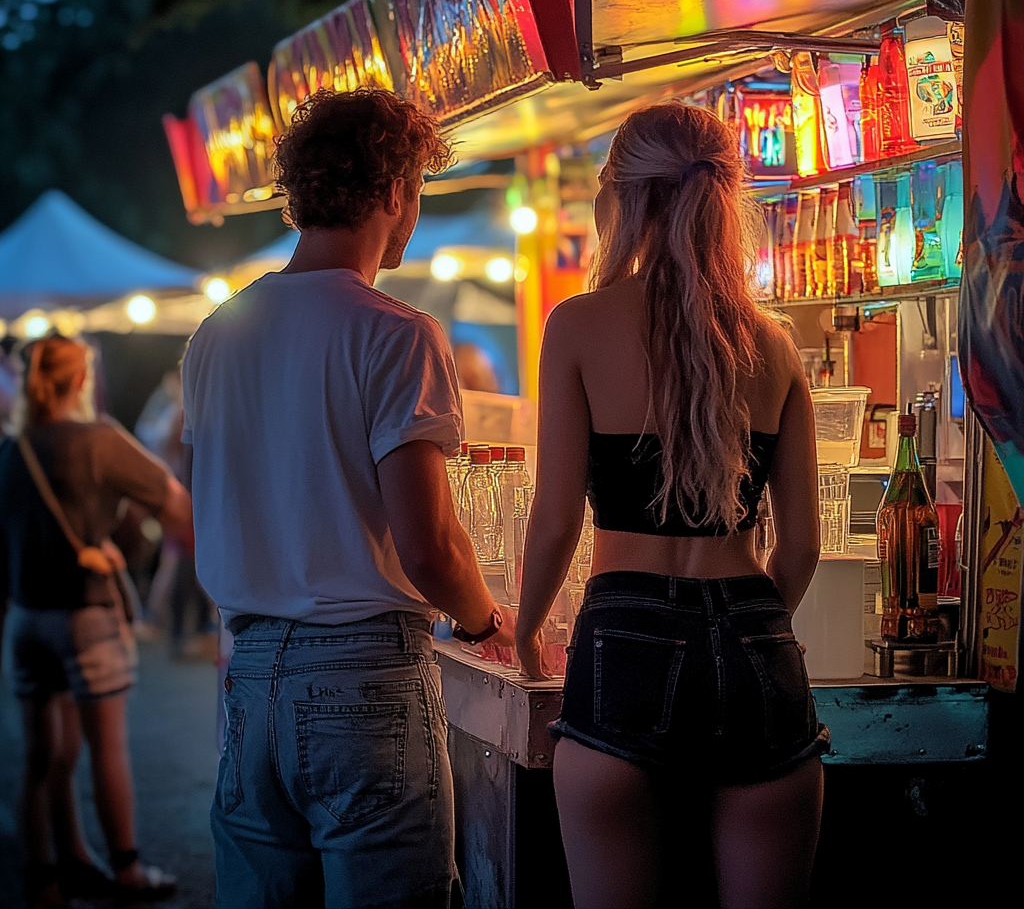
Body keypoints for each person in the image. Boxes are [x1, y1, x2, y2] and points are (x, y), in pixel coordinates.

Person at [181, 87, 514, 909]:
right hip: (365, 679)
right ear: (396, 191)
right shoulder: (396, 333)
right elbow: (429, 544)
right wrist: (486, 623)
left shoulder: (217, 334)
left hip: (249, 674)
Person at [515, 103, 829, 909]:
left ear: (620, 196)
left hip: (625, 633)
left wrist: (523, 634)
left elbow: (556, 519)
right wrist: (744, 628)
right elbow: (799, 551)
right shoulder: (775, 342)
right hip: (758, 641)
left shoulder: (579, 325)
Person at [0, 334, 193, 907]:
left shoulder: (12, 450)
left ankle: (50, 874)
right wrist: (119, 525)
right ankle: (128, 870)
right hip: (85, 613)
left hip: (26, 618)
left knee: (43, 756)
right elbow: (175, 505)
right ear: (82, 379)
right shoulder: (99, 440)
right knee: (104, 744)